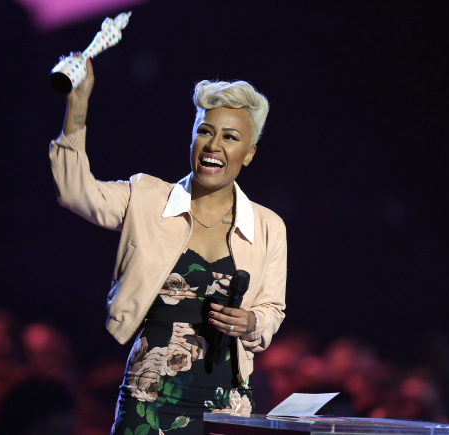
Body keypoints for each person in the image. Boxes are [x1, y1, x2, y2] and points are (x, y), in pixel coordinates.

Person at [49, 57, 287, 435]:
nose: (214, 145)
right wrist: (76, 109)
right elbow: (75, 191)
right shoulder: (146, 198)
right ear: (192, 136)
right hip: (149, 396)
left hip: (227, 405)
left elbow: (272, 309)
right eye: (205, 131)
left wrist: (252, 321)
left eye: (230, 137)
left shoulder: (268, 226)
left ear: (250, 152)